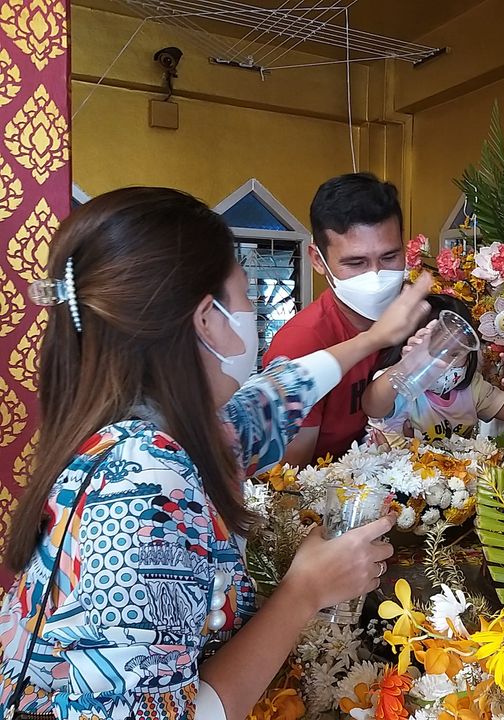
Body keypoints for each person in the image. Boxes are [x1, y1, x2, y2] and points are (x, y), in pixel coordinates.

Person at [0, 187, 432, 720]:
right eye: (247, 294)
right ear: (207, 318)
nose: (254, 312)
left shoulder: (153, 430)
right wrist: (304, 591)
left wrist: (371, 341)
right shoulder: (145, 487)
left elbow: (268, 399)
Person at [263, 173, 407, 466]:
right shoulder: (302, 344)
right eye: (356, 263)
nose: (376, 276)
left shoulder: (416, 315)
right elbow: (289, 481)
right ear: (318, 260)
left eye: (390, 257)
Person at [363, 294, 504, 446]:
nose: (444, 363)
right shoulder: (398, 382)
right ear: (409, 344)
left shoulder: (473, 388)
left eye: (455, 353)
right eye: (433, 351)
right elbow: (373, 407)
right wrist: (406, 367)